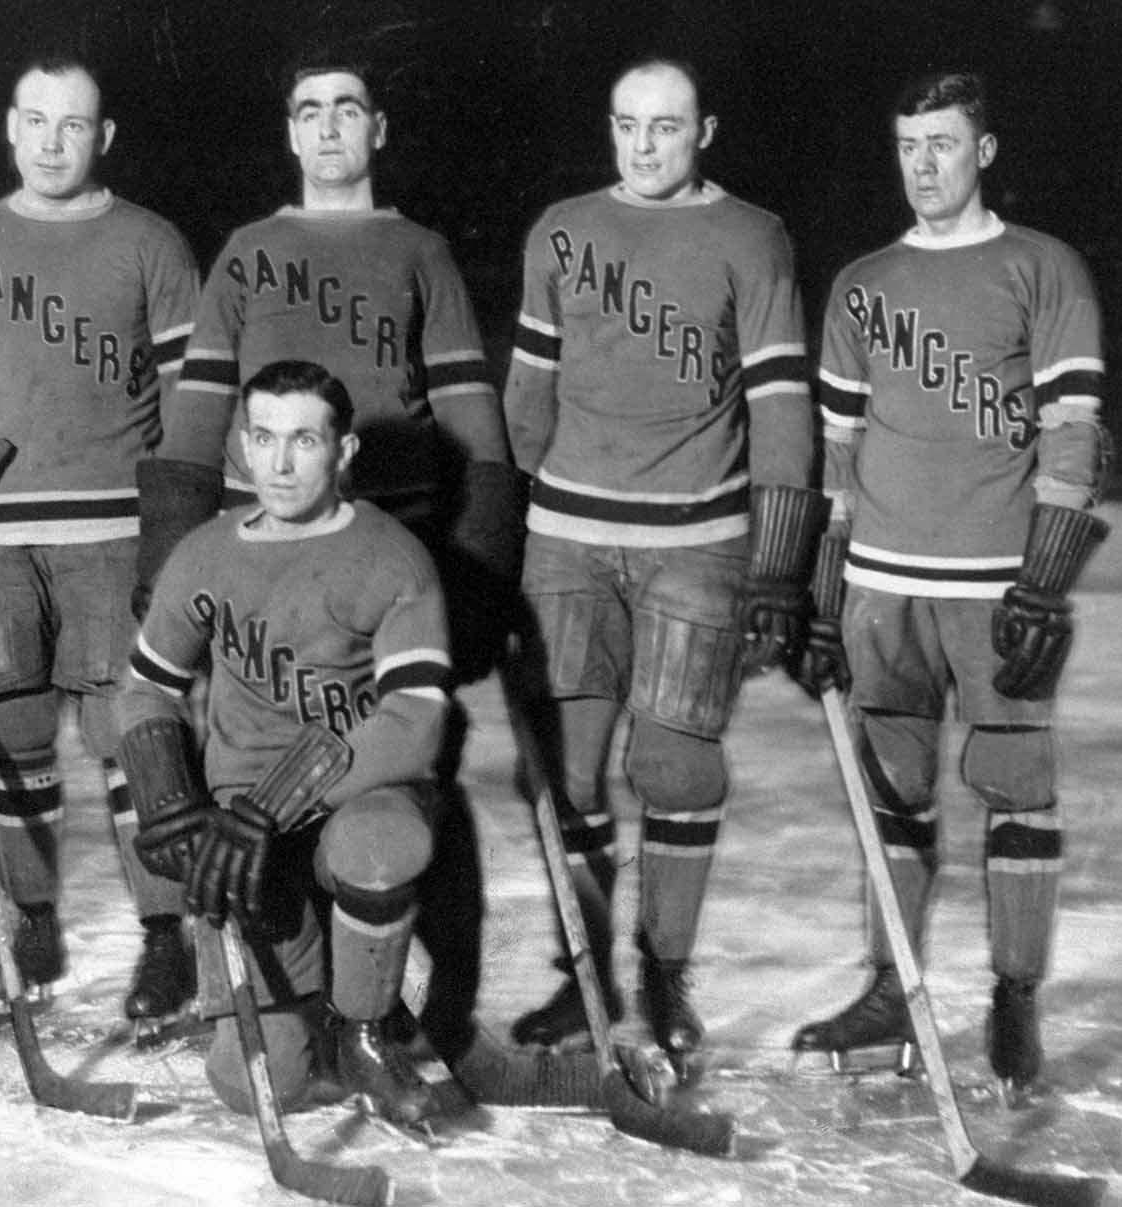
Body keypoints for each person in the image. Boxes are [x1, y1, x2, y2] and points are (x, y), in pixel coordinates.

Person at [135, 50, 524, 1045]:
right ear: (290, 131)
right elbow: (197, 417)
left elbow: (473, 418)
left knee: (409, 775)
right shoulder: (247, 249)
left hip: (395, 547)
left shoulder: (420, 250)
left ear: (376, 130)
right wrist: (166, 559)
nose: (328, 128)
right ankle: (310, 988)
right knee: (257, 761)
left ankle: (435, 998)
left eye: (348, 109)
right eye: (308, 110)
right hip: (263, 554)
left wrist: (480, 560)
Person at [790, 71, 1108, 1105]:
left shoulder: (1041, 268)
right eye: (908, 144)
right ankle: (892, 990)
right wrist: (823, 593)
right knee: (893, 798)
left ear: (986, 149)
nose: (924, 162)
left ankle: (1013, 997)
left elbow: (1072, 434)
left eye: (943, 142)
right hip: (884, 587)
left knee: (1016, 790)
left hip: (993, 588)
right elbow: (835, 452)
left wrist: (1045, 582)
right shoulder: (861, 282)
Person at [501, 57, 819, 1076]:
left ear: (706, 130)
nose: (644, 146)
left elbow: (778, 407)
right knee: (569, 769)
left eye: (667, 128)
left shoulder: (750, 236)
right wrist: (498, 528)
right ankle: (582, 970)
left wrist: (778, 562)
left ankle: (663, 972)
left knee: (675, 766)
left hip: (698, 544)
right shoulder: (561, 228)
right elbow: (529, 392)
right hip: (566, 540)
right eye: (628, 125)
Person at [0, 52, 200, 1032]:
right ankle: (34, 926)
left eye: (72, 125)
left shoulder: (152, 244)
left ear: (102, 137)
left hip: (112, 531)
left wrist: (179, 531)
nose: (51, 142)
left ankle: (165, 936)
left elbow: (189, 403)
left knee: (130, 738)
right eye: (36, 122)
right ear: (9, 125)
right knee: (17, 737)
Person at [118, 359, 452, 1123]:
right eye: (263, 437)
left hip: (356, 794)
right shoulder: (206, 550)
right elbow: (144, 685)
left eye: (304, 439)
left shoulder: (392, 556)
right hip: (243, 827)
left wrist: (276, 806)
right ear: (241, 445)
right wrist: (168, 795)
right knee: (257, 1084)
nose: (280, 461)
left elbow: (413, 721)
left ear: (343, 453)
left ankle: (365, 1030)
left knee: (380, 847)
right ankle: (317, 1008)